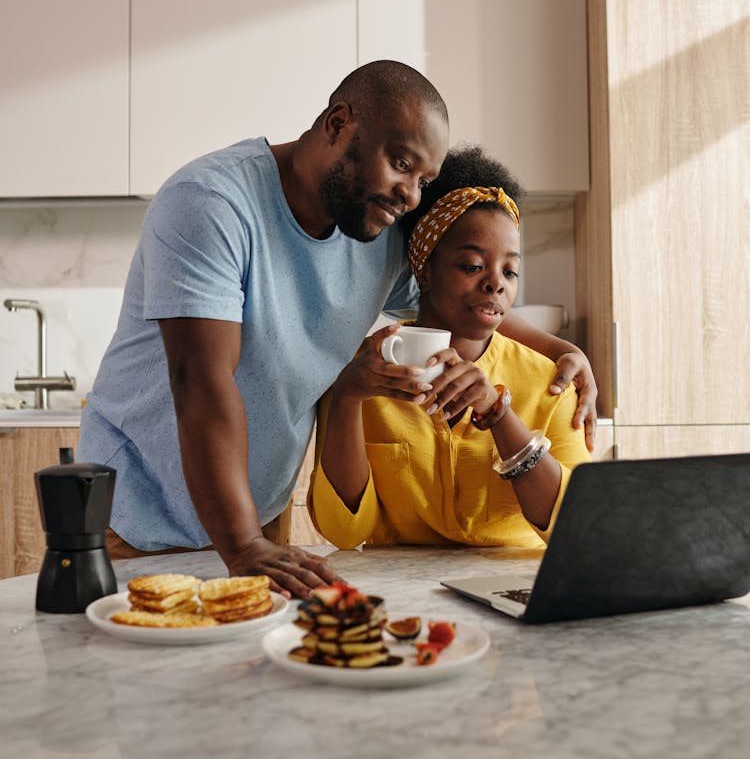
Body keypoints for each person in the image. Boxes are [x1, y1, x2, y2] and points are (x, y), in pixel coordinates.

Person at [78, 63, 595, 597]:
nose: (411, 197)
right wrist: (243, 547)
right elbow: (203, 384)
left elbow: (462, 293)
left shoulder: (374, 225)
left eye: (423, 181)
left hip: (254, 518)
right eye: (401, 164)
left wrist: (560, 348)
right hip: (138, 515)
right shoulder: (211, 203)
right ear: (338, 123)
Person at [307, 146, 591, 551]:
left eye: (510, 271)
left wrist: (498, 413)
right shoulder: (363, 373)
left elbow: (578, 529)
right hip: (401, 599)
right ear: (424, 271)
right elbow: (344, 533)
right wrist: (348, 398)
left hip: (515, 598)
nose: (496, 283)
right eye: (473, 266)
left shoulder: (552, 384)